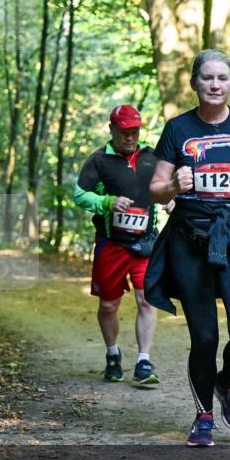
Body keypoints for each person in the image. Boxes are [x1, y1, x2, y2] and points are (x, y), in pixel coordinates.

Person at [146, 49, 230, 447]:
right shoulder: (177, 128)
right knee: (204, 338)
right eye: (208, 78)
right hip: (191, 242)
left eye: (222, 78)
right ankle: (203, 415)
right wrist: (172, 187)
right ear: (195, 83)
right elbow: (154, 189)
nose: (215, 85)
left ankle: (226, 382)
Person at [75, 104, 161, 386]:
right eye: (124, 132)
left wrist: (170, 197)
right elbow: (79, 195)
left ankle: (144, 362)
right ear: (111, 130)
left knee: (146, 299)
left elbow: (164, 185)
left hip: (146, 243)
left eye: (134, 132)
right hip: (111, 244)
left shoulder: (151, 157)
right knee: (109, 305)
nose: (129, 138)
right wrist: (107, 203)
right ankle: (113, 354)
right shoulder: (99, 160)